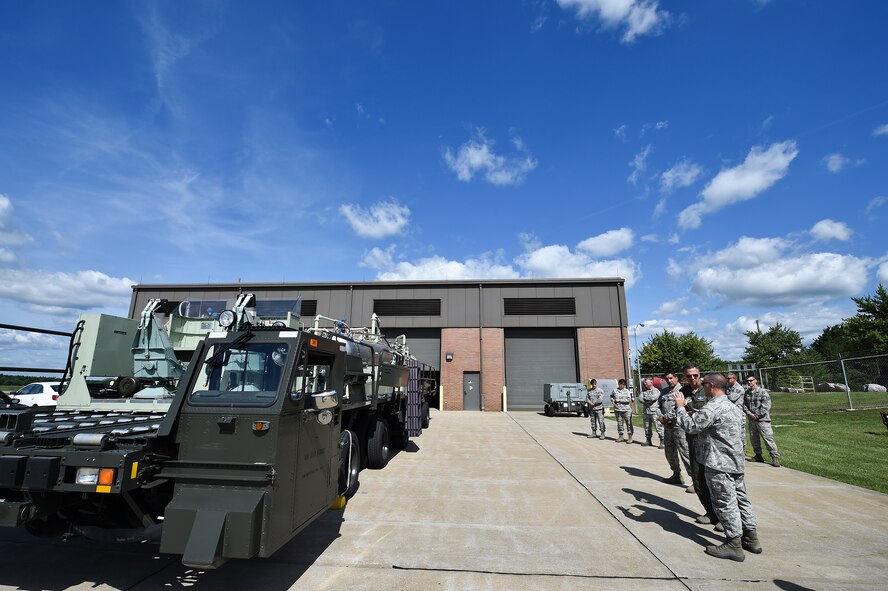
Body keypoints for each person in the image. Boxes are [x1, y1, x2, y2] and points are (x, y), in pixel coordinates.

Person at [674, 373, 762, 562]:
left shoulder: (713, 407)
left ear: (712, 385)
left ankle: (733, 543)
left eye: (704, 383)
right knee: (741, 499)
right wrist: (695, 414)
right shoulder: (733, 406)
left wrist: (680, 408)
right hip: (735, 462)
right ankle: (750, 537)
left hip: (718, 463)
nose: (702, 385)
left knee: (724, 502)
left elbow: (691, 427)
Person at [681, 364, 720, 528]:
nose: (692, 378)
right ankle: (710, 513)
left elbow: (716, 412)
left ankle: (724, 517)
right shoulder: (683, 392)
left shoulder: (709, 389)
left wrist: (696, 414)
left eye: (695, 375)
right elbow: (678, 412)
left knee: (716, 480)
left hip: (711, 441)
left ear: (700, 375)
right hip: (694, 439)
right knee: (698, 479)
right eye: (689, 376)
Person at [658, 372, 690, 485]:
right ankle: (676, 474)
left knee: (685, 452)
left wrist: (665, 417)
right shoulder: (664, 392)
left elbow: (680, 408)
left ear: (676, 378)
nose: (669, 380)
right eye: (667, 379)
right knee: (669, 452)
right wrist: (660, 417)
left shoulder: (682, 391)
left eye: (671, 378)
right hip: (668, 427)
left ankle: (696, 481)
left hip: (679, 426)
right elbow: (658, 406)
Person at [744, 376, 780, 467]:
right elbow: (744, 405)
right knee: (754, 439)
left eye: (751, 380)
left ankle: (774, 456)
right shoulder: (747, 393)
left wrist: (757, 415)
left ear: (755, 381)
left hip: (763, 420)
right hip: (752, 420)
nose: (749, 382)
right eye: (747, 381)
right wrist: (749, 413)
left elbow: (766, 405)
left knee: (768, 438)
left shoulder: (762, 392)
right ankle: (758, 455)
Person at [638, 378, 664, 448]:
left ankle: (662, 441)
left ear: (651, 382)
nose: (645, 383)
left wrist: (645, 398)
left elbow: (653, 398)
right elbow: (640, 399)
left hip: (654, 412)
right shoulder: (644, 391)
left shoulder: (656, 391)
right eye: (644, 383)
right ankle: (648, 440)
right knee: (647, 427)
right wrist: (647, 401)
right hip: (646, 412)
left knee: (658, 427)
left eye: (646, 382)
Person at [726, 373, 747, 447]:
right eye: (727, 378)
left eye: (729, 378)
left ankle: (743, 448)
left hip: (738, 413)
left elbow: (732, 398)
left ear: (734, 379)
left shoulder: (738, 388)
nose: (727, 380)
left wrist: (723, 396)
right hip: (730, 412)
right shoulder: (729, 387)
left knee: (741, 432)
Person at [611, 378, 634, 443]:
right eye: (621, 384)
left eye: (623, 384)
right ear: (618, 384)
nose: (622, 385)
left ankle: (630, 436)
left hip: (626, 410)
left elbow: (629, 399)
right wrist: (613, 400)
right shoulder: (615, 391)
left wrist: (619, 400)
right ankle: (621, 436)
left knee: (629, 423)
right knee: (620, 423)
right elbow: (611, 396)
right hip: (618, 410)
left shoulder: (627, 391)